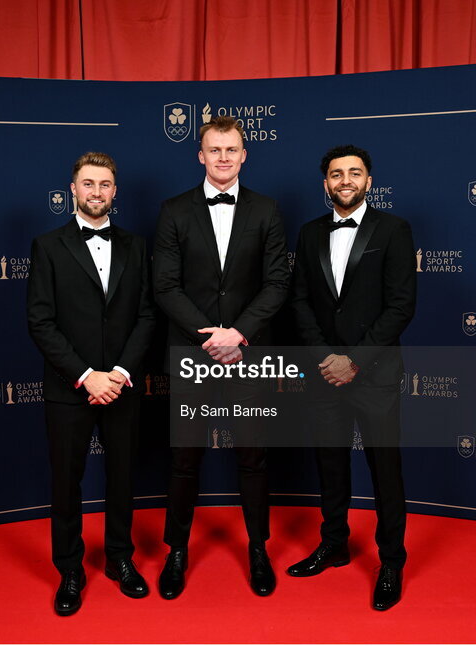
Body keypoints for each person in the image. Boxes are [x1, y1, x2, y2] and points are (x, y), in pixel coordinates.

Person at [153, 115, 290, 599]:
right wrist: (210, 338)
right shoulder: (173, 211)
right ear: (201, 155)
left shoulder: (268, 211)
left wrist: (240, 334)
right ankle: (177, 551)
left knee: (253, 457)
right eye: (215, 150)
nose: (224, 158)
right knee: (184, 459)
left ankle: (258, 549)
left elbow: (278, 283)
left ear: (244, 154)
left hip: (249, 356)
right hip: (193, 355)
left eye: (232, 149)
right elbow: (165, 285)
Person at [287, 144, 416, 611]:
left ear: (369, 181)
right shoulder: (308, 233)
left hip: (375, 374)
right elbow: (299, 301)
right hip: (324, 374)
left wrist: (354, 361)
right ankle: (335, 543)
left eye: (354, 173)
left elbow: (401, 304)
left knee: (385, 470)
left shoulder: (395, 230)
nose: (345, 180)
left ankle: (391, 561)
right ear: (326, 184)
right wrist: (326, 359)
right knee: (331, 465)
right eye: (337, 174)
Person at [27, 152, 155, 616]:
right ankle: (70, 571)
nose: (96, 191)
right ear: (73, 189)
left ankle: (121, 559)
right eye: (88, 184)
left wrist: (118, 375)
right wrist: (86, 376)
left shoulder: (137, 246)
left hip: (122, 386)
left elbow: (147, 316)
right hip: (70, 388)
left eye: (104, 184)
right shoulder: (47, 246)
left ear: (114, 192)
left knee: (122, 478)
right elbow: (40, 322)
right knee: (67, 483)